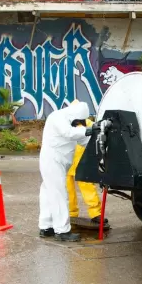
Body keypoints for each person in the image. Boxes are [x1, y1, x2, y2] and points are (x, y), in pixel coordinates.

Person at [39, 101, 92, 242]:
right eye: (78, 121)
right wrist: (89, 130)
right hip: (52, 161)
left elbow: (84, 140)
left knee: (48, 192)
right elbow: (68, 133)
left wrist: (98, 138)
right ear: (74, 115)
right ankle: (62, 231)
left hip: (59, 163)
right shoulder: (57, 117)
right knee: (59, 194)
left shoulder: (72, 124)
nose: (78, 124)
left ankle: (46, 226)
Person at [67, 117, 108, 225]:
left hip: (82, 162)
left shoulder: (88, 124)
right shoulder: (65, 123)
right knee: (67, 190)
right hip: (67, 162)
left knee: (88, 188)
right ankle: (70, 214)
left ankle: (95, 213)